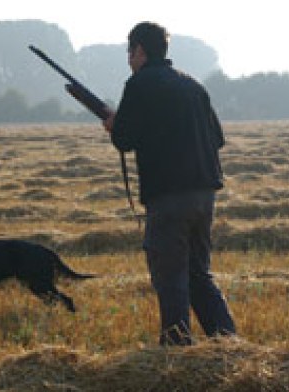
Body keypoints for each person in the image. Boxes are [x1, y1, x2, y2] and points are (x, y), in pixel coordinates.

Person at [102, 21, 236, 345]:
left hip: (169, 198)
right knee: (197, 274)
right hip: (204, 196)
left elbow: (125, 139)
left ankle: (176, 349)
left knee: (170, 274)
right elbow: (216, 139)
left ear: (141, 51)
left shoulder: (139, 85)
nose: (128, 59)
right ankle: (229, 343)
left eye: (129, 52)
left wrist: (113, 125)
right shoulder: (193, 86)